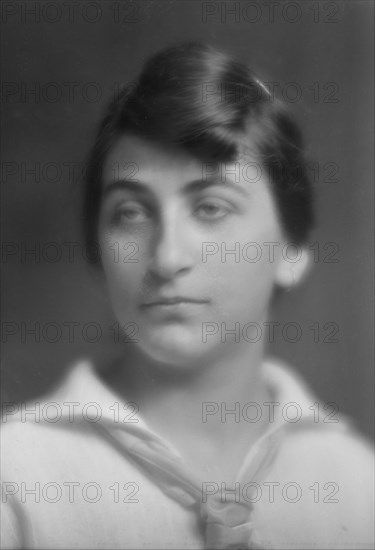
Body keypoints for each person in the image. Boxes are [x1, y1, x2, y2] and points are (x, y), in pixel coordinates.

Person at [1, 42, 373, 550]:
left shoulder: (356, 482)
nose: (166, 257)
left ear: (293, 246)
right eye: (131, 213)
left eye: (211, 207)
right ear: (97, 250)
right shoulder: (17, 480)